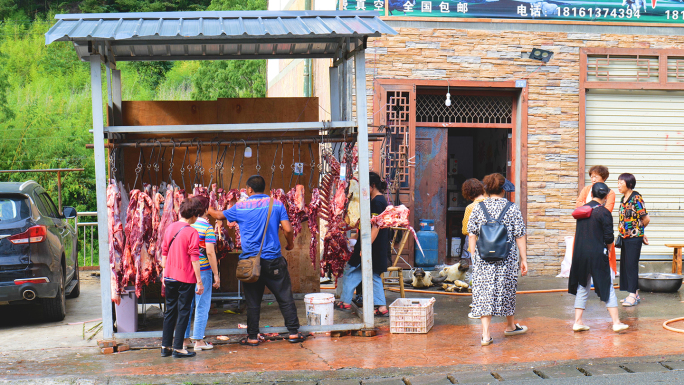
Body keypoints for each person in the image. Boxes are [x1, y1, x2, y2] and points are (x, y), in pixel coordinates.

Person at [208, 175, 303, 346]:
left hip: (250, 263)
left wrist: (207, 209)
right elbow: (288, 229)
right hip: (273, 260)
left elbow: (219, 215)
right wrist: (290, 244)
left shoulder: (241, 207)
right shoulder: (276, 204)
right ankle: (294, 333)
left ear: (249, 190)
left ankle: (252, 337)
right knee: (285, 297)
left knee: (252, 302)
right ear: (263, 188)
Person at [467, 173, 527, 346]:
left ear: (486, 189)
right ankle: (509, 326)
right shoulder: (512, 208)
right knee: (507, 288)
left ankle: (486, 335)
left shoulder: (478, 208)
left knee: (484, 292)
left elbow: (472, 235)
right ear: (503, 189)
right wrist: (523, 259)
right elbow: (520, 235)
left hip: (483, 258)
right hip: (506, 258)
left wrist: (474, 257)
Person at [568, 182, 629, 333]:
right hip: (597, 254)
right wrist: (609, 250)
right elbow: (609, 237)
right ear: (606, 196)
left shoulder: (583, 210)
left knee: (583, 285)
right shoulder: (604, 212)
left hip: (580, 254)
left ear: (591, 194)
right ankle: (616, 322)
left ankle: (577, 322)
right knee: (607, 285)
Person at [336, 172, 390, 317]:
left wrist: (365, 247)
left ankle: (346, 301)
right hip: (373, 245)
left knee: (350, 270)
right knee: (372, 275)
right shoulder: (377, 201)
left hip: (372, 245)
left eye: (365, 187)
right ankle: (381, 307)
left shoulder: (377, 202)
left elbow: (376, 227)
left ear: (372, 186)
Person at [160, 197, 204, 358]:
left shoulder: (170, 228)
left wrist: (164, 274)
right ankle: (178, 347)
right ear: (193, 215)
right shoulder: (192, 232)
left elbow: (164, 252)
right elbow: (194, 258)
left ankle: (165, 347)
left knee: (170, 311)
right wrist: (199, 281)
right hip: (185, 278)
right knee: (184, 312)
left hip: (169, 276)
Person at [184, 196, 221, 351]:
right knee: (202, 304)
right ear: (205, 210)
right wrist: (216, 275)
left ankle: (184, 340)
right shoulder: (207, 228)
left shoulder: (186, 225)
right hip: (204, 271)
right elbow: (210, 253)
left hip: (187, 271)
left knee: (186, 305)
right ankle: (198, 341)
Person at [576, 165, 617, 276]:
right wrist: (595, 209)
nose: (593, 179)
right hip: (586, 226)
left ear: (603, 177)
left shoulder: (610, 192)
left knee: (603, 253)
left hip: (600, 227)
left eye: (596, 176)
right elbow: (578, 204)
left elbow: (608, 210)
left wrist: (587, 209)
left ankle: (604, 276)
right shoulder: (586, 189)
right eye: (591, 176)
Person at [617, 173, 650, 307]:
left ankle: (632, 296)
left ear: (629, 184)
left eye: (621, 182)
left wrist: (640, 232)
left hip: (634, 238)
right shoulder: (622, 199)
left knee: (631, 265)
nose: (618, 185)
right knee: (625, 265)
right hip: (624, 237)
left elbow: (645, 219)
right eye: (618, 182)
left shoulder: (636, 197)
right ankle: (633, 293)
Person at [461, 178, 486, 320]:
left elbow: (466, 230)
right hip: (494, 246)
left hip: (477, 246)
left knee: (478, 276)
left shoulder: (471, 208)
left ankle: (478, 306)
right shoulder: (492, 203)